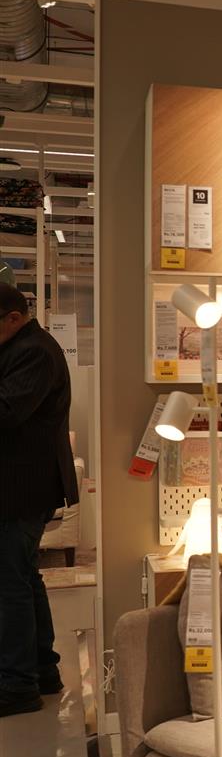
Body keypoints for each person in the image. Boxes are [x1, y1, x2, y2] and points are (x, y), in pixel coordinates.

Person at [0, 283, 76, 717]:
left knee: (9, 584)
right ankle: (41, 670)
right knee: (23, 578)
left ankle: (17, 685)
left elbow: (7, 412)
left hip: (21, 488)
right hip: (23, 485)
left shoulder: (34, 351)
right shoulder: (24, 347)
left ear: (14, 317)